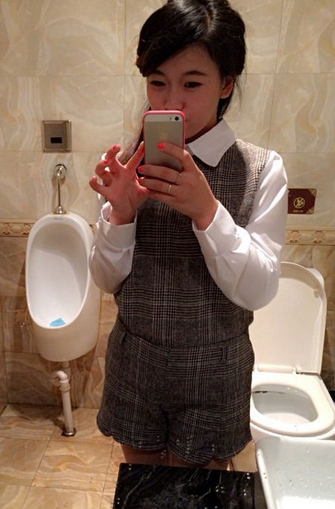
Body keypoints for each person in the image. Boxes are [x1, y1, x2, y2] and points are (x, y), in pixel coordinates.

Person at [88, 0, 288, 469]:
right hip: (136, 360)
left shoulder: (262, 169)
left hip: (215, 370)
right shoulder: (128, 165)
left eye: (192, 83)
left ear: (226, 83)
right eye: (157, 82)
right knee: (141, 483)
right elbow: (105, 280)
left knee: (199, 494)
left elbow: (259, 290)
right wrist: (121, 214)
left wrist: (207, 212)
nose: (170, 102)